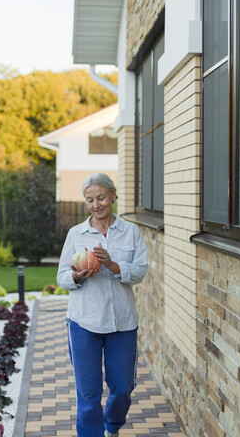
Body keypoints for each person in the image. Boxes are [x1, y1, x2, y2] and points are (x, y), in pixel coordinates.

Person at [57, 173, 148, 437]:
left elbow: (140, 271)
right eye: (89, 200)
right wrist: (76, 275)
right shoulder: (76, 234)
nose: (96, 204)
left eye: (100, 198)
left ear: (113, 196)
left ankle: (112, 426)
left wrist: (111, 265)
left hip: (122, 322)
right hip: (84, 323)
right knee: (88, 393)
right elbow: (61, 276)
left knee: (122, 388)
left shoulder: (131, 232)